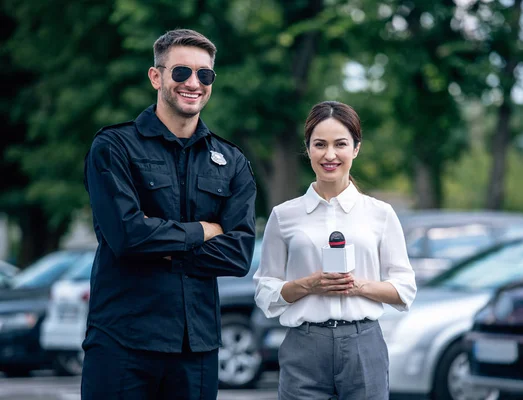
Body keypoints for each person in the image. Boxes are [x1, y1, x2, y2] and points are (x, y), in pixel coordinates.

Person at [81, 29, 256, 400]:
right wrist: (203, 231)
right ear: (156, 76)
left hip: (197, 349)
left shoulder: (232, 162)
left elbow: (239, 253)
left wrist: (157, 243)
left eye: (204, 75)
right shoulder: (113, 147)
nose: (193, 83)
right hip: (122, 341)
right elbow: (127, 236)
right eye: (181, 72)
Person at [254, 101, 417, 400]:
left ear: (355, 148)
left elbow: (405, 289)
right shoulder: (283, 216)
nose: (330, 155)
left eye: (340, 144)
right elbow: (265, 292)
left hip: (363, 344)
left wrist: (359, 286)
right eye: (320, 144)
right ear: (308, 149)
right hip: (303, 345)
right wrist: (307, 285)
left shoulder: (380, 214)